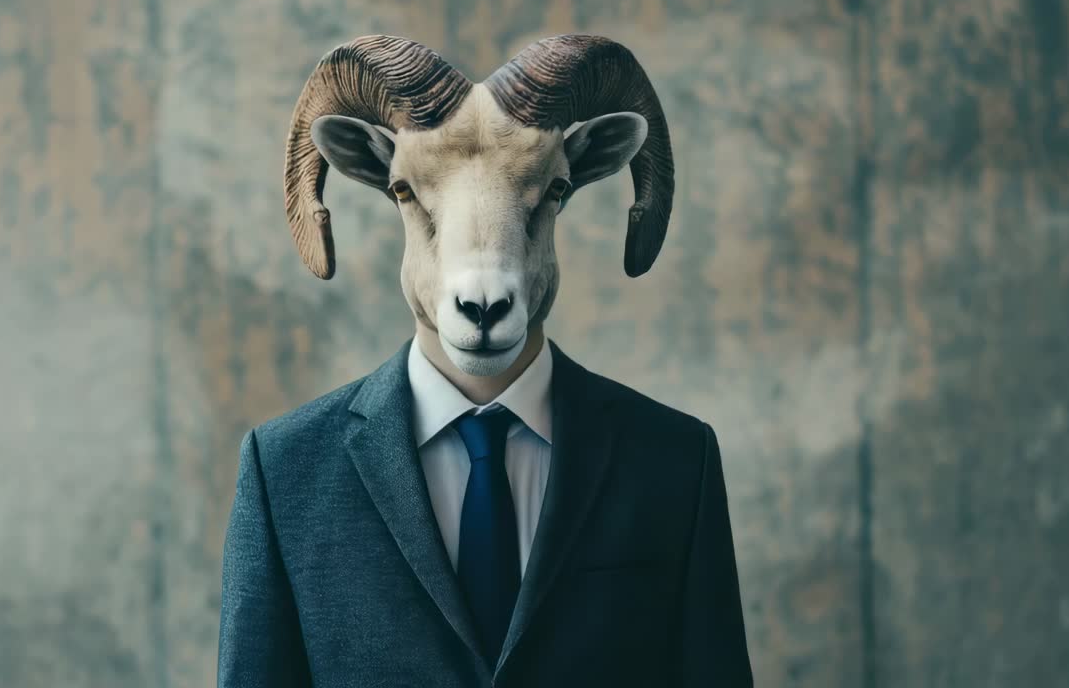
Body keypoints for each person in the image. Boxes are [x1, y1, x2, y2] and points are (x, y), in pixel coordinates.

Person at [218, 34, 753, 687]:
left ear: (590, 166)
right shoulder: (287, 476)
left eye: (548, 187)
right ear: (369, 168)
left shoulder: (673, 463)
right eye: (410, 190)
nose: (481, 276)